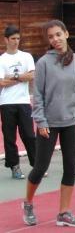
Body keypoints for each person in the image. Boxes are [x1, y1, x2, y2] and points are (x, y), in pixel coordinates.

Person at [23, 20, 75, 227]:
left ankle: (64, 212)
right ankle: (28, 203)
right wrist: (40, 121)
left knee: (70, 166)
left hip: (71, 122)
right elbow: (38, 95)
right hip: (48, 123)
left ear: (66, 34)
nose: (55, 39)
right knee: (40, 167)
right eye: (51, 37)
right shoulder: (43, 63)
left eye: (58, 34)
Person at [0, 25, 36, 180]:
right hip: (6, 103)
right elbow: (2, 82)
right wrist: (21, 77)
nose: (16, 41)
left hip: (23, 101)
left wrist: (13, 77)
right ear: (6, 40)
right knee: (9, 137)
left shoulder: (26, 57)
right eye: (13, 39)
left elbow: (31, 76)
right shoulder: (1, 60)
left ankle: (37, 165)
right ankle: (14, 166)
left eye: (18, 38)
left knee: (29, 134)